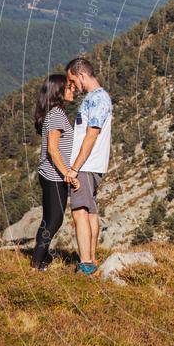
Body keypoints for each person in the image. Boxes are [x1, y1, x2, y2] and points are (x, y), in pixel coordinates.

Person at [65, 57, 113, 275]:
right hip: (92, 165)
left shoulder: (97, 99)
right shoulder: (97, 98)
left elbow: (91, 135)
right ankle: (91, 260)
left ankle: (85, 263)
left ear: (82, 75)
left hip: (86, 165)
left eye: (73, 80)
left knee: (79, 212)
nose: (73, 85)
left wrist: (74, 167)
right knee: (90, 211)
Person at [31, 74, 78, 271]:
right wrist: (67, 173)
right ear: (58, 92)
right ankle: (35, 264)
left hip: (49, 174)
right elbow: (53, 148)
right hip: (54, 175)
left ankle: (40, 259)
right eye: (69, 87)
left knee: (48, 218)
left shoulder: (53, 112)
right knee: (55, 219)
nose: (73, 90)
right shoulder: (57, 114)